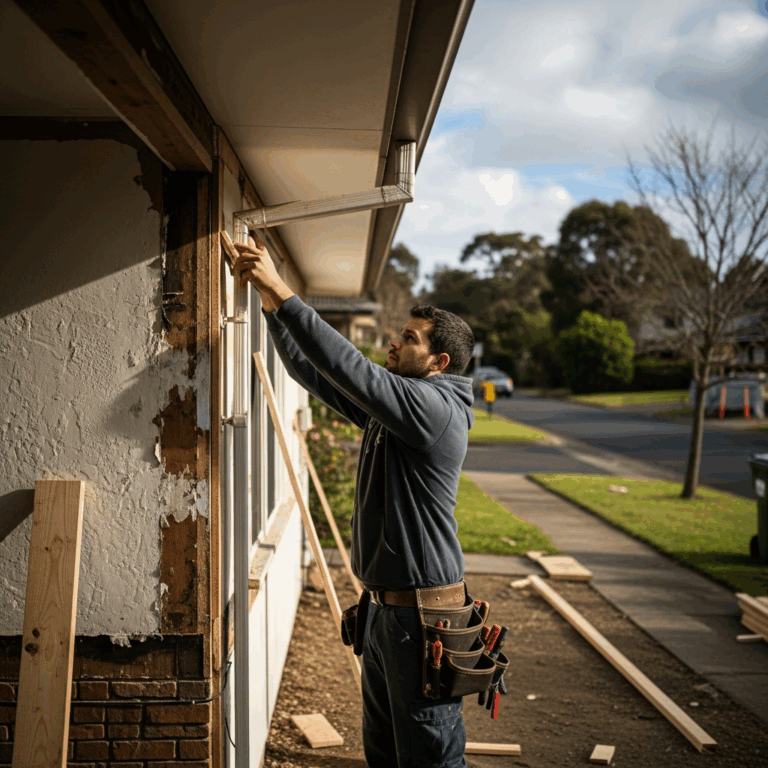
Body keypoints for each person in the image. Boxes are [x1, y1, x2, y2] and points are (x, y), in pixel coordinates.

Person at [234, 240, 476, 768]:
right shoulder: (395, 412)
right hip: (386, 615)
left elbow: (355, 369)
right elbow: (317, 372)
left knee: (429, 756)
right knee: (385, 752)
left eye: (408, 340)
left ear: (439, 362)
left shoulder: (434, 408)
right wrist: (272, 307)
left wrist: (282, 287)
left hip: (424, 621)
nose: (393, 343)